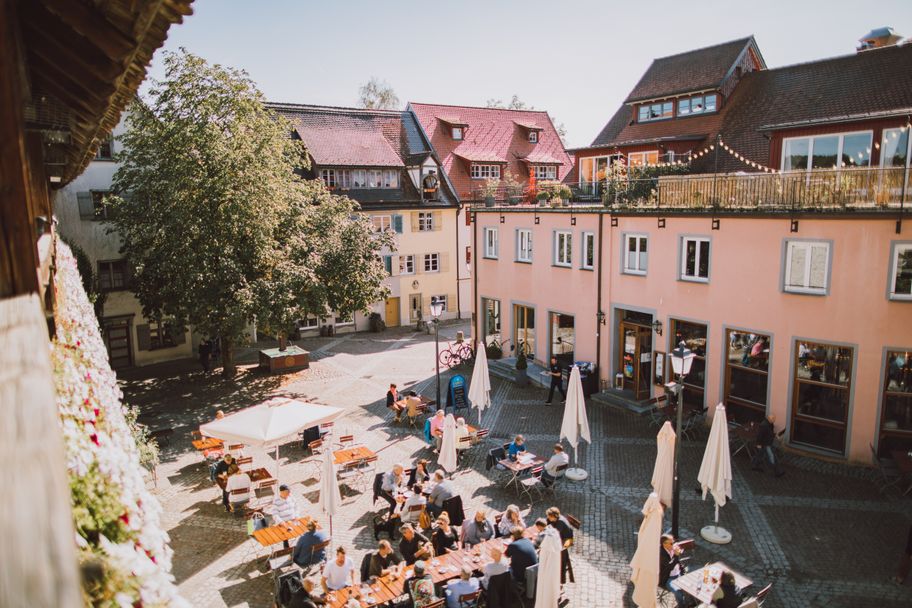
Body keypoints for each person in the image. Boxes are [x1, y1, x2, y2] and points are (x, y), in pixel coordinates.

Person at [546, 507, 575, 584]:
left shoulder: (560, 523)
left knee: (557, 550)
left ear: (554, 516)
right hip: (562, 537)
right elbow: (548, 522)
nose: (548, 518)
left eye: (549, 517)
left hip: (567, 540)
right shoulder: (554, 518)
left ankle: (560, 577)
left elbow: (554, 535)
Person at [659, 534, 686, 608]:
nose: (673, 544)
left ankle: (691, 602)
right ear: (664, 544)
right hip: (668, 578)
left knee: (691, 585)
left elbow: (678, 561)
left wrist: (679, 551)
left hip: (679, 573)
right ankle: (682, 606)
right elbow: (670, 567)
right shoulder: (661, 554)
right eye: (671, 543)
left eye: (673, 542)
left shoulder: (672, 548)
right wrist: (676, 555)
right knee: (678, 592)